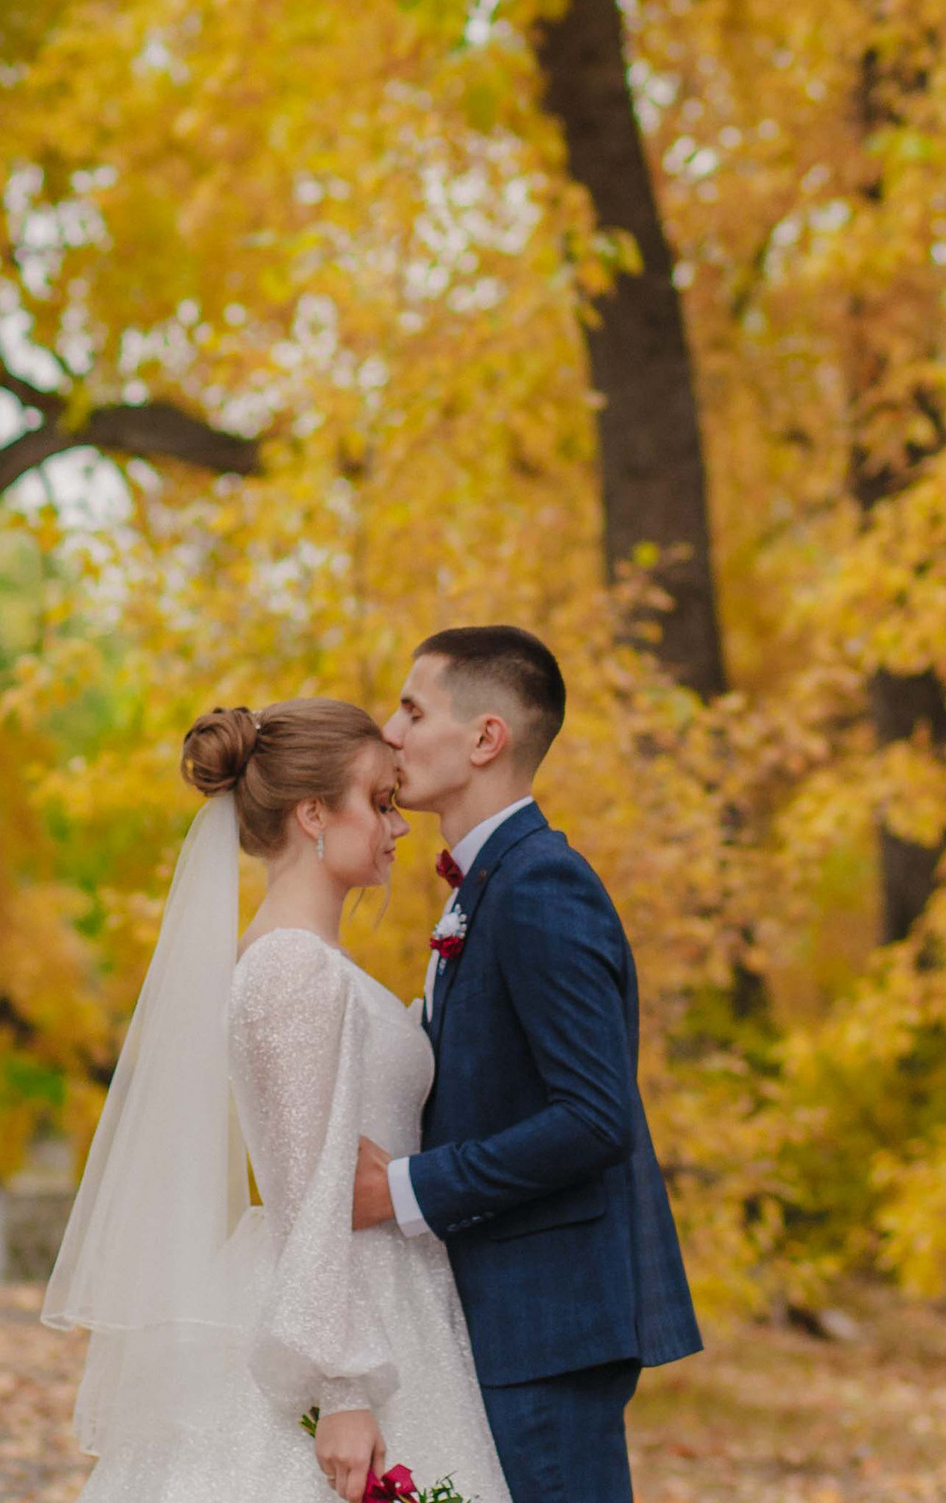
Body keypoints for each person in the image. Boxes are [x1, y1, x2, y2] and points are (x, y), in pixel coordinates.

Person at [45, 698, 514, 1503]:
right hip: (342, 1316)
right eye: (379, 802)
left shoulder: (317, 965)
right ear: (311, 815)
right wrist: (343, 1392)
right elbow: (306, 1193)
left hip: (387, 1298)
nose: (398, 827)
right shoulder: (290, 969)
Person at [355, 625, 700, 1503]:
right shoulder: (487, 886)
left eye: (412, 709)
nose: (389, 732)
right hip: (504, 1315)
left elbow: (593, 1116)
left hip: (545, 1323)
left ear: (485, 738)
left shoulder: (542, 884)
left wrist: (401, 1190)